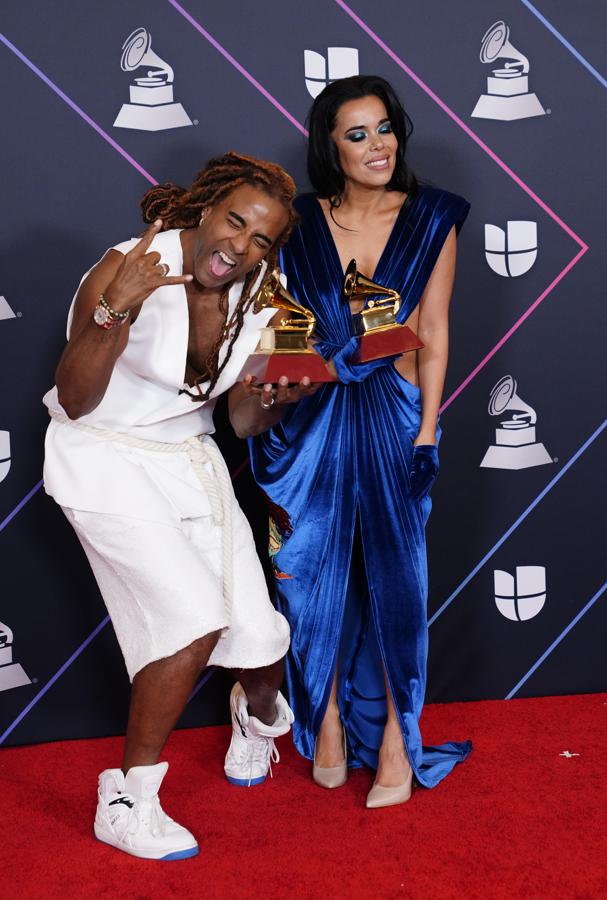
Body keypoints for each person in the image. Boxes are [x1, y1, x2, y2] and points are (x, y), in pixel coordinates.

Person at [42, 152, 316, 860]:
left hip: (190, 463)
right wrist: (116, 308)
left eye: (261, 238)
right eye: (234, 222)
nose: (240, 246)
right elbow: (75, 400)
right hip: (103, 455)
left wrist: (279, 391)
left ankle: (254, 718)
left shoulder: (265, 294)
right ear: (204, 208)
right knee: (191, 617)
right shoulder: (126, 266)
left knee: (258, 638)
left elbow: (245, 424)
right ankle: (128, 797)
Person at [229, 76, 472, 809]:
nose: (376, 145)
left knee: (396, 585)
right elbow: (279, 331)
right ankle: (326, 720)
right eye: (356, 134)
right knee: (311, 579)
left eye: (384, 129)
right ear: (328, 148)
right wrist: (275, 391)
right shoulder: (297, 223)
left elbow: (431, 332)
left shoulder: (432, 217)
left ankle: (398, 737)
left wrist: (428, 425)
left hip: (395, 416)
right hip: (309, 423)